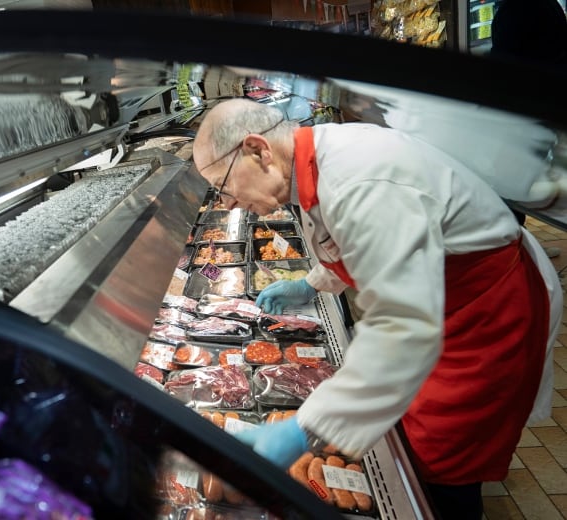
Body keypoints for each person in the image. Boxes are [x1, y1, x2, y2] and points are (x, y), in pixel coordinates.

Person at [191, 98, 562, 520]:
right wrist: (310, 283)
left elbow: (400, 328)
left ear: (258, 150)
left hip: (486, 312)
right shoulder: (316, 164)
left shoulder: (360, 179)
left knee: (445, 456)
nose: (229, 205)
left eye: (223, 188)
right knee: (417, 432)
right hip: (438, 303)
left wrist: (303, 428)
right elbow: (361, 244)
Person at [490, 0, 567, 257]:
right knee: (514, 178)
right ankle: (513, 247)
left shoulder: (520, 7)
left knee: (511, 178)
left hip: (525, 107)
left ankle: (513, 246)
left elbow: (503, 61)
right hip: (535, 107)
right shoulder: (537, 6)